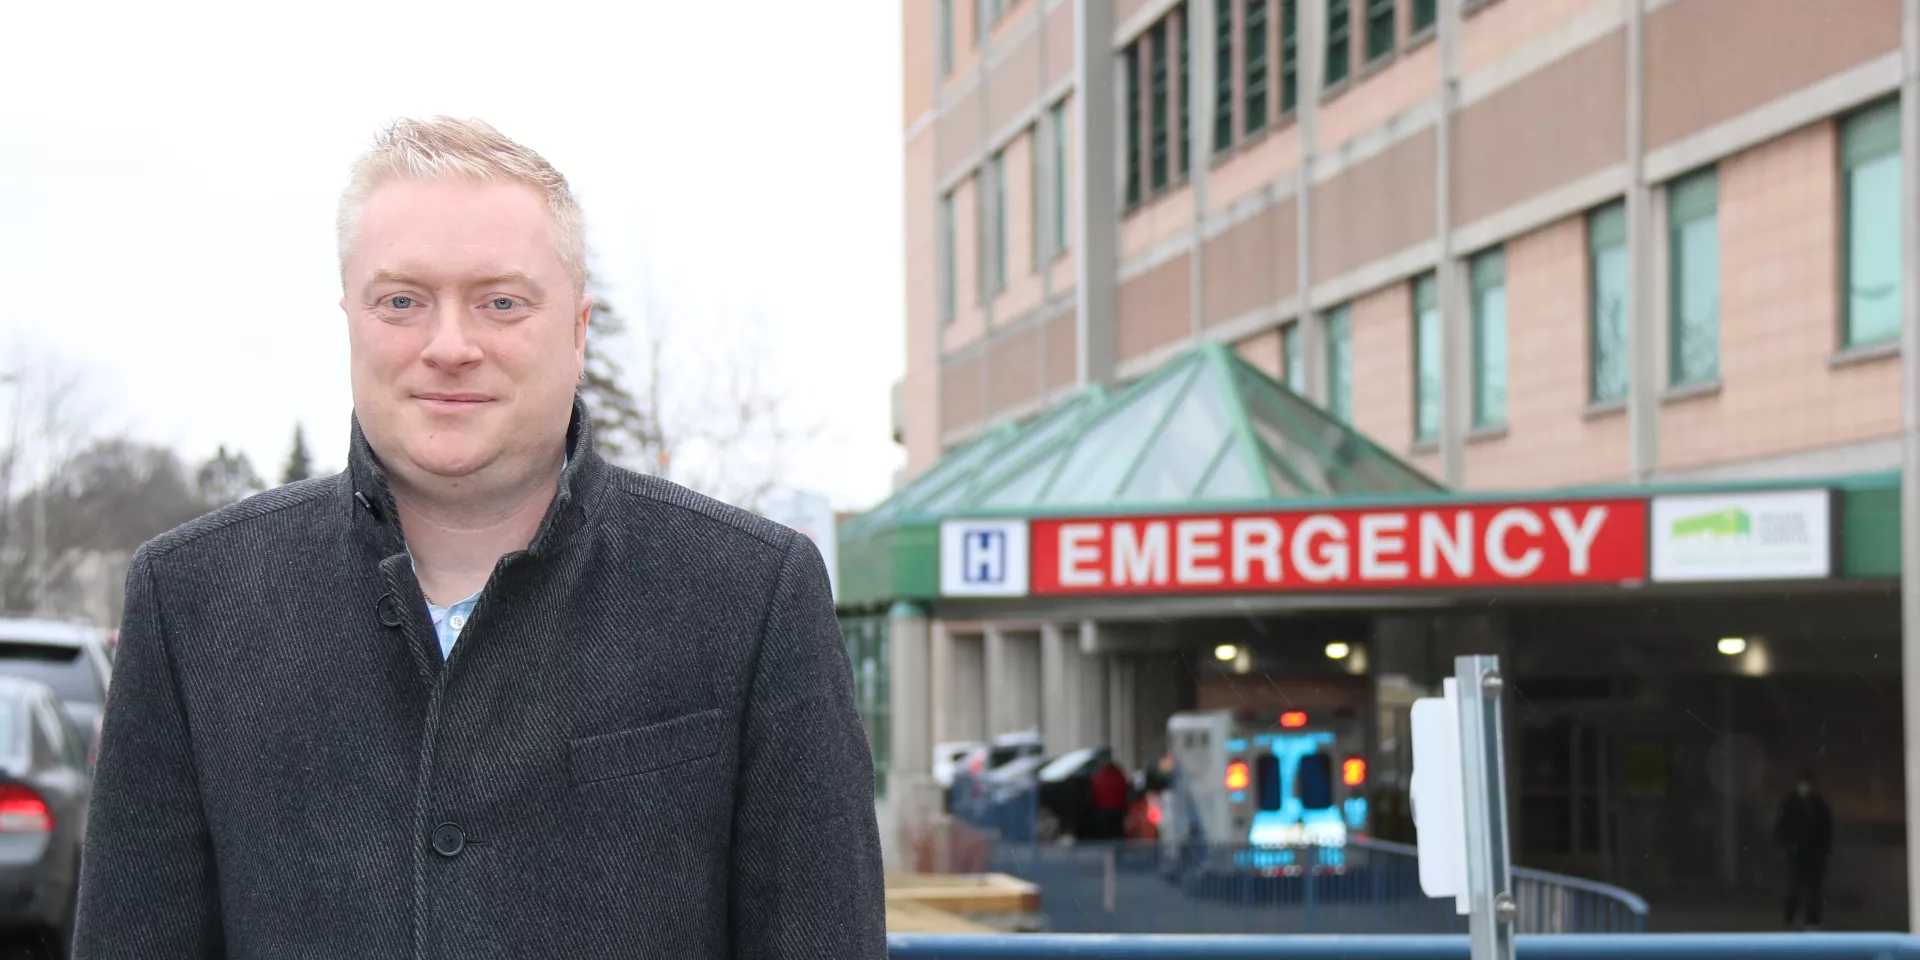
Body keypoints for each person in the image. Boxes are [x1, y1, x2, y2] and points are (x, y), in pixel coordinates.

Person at [73, 117, 886, 959]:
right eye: (402, 302)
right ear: (349, 316)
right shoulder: (192, 601)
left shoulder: (751, 596)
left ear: (577, 329)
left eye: (500, 302)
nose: (450, 347)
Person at [1774, 771, 1834, 931]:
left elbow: (1826, 828)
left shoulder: (1818, 803)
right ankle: (1789, 918)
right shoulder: (1790, 803)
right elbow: (1782, 826)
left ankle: (1812, 922)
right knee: (1795, 888)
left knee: (1814, 890)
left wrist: (1824, 850)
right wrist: (1787, 844)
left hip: (1814, 854)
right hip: (1797, 853)